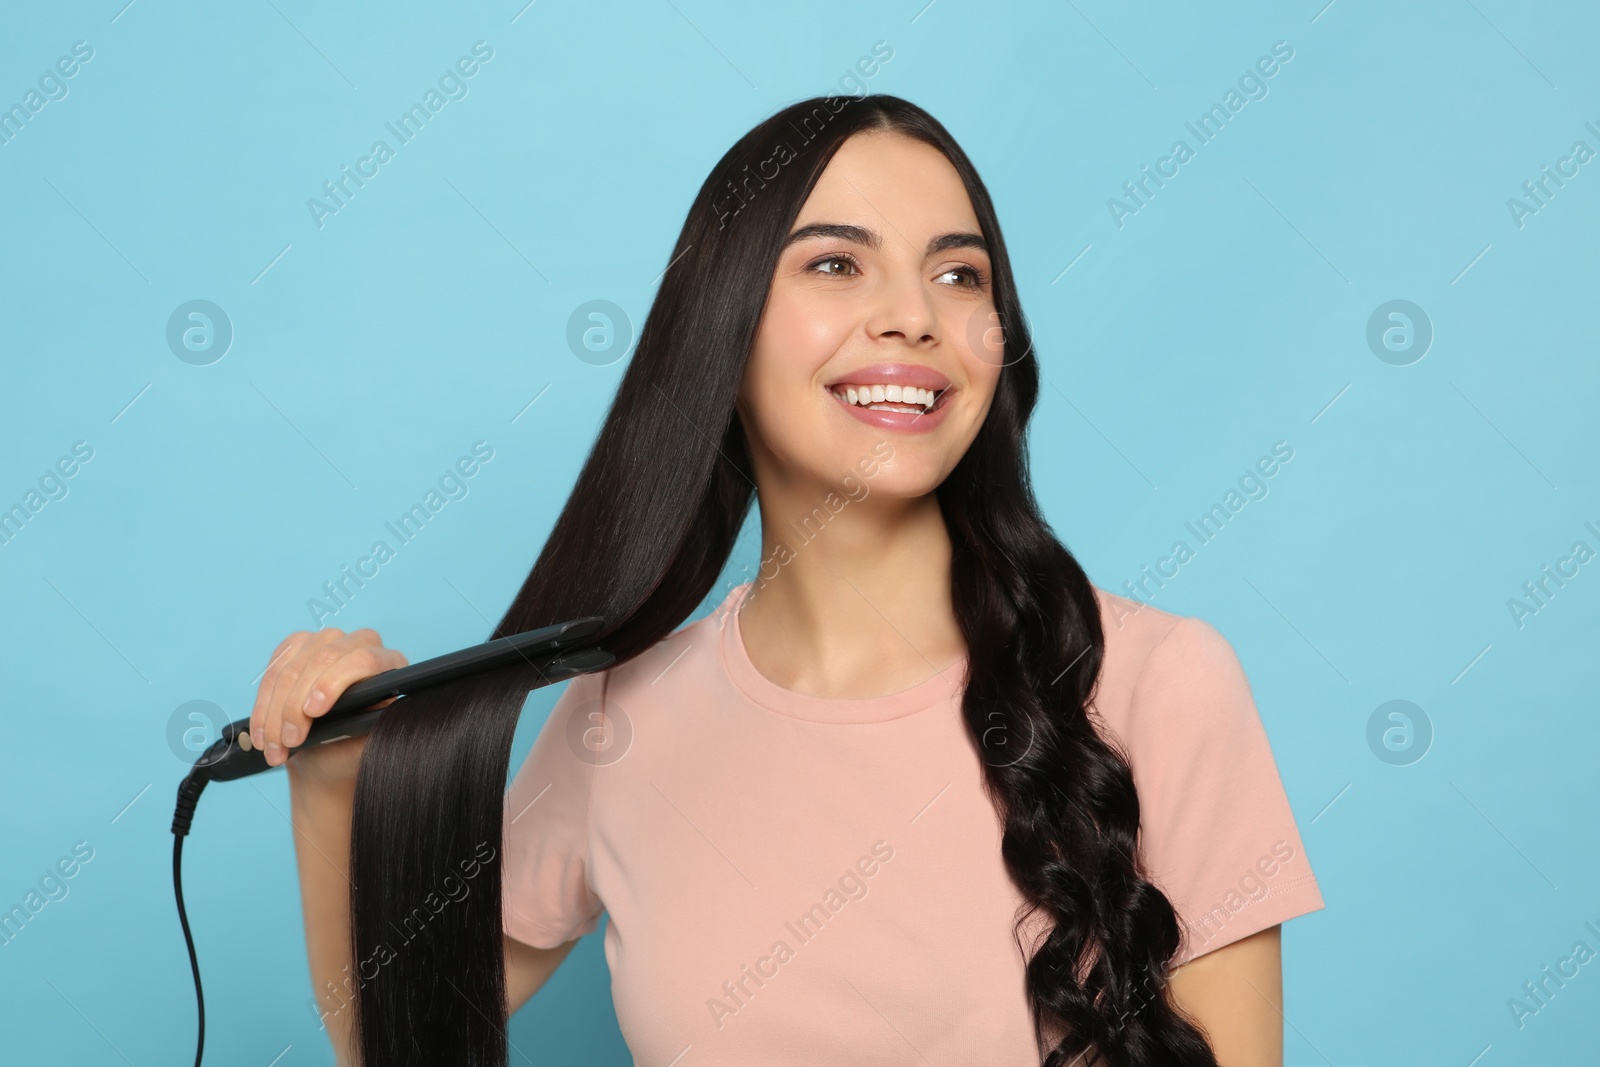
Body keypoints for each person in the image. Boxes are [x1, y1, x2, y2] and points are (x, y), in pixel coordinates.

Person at [250, 93, 1324, 1066]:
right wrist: (330, 772)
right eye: (835, 263)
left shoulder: (1163, 683)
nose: (913, 313)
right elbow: (396, 1037)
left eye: (958, 274)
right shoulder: (621, 713)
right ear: (723, 328)